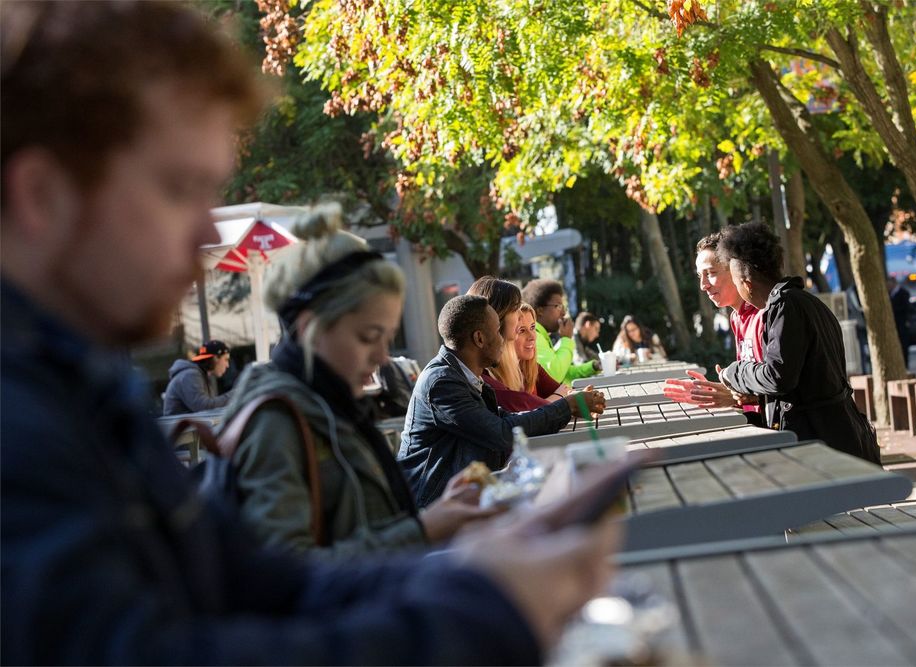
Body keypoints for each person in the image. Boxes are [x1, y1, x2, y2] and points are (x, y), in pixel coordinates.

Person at [0, 3, 617, 663]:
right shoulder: (21, 423)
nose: (207, 232)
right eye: (181, 188)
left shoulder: (79, 388)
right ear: (43, 196)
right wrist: (482, 608)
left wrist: (476, 576)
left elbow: (255, 580)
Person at [221, 206, 495, 560]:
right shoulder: (275, 421)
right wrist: (422, 530)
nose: (383, 357)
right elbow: (287, 575)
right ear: (309, 329)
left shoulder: (330, 405)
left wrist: (437, 512)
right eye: (369, 336)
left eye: (388, 339)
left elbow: (357, 527)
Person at [397, 295, 586, 507]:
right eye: (498, 331)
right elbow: (501, 433)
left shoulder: (464, 375)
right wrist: (566, 406)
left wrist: (565, 409)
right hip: (431, 510)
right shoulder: (442, 382)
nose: (505, 338)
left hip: (460, 500)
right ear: (479, 338)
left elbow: (505, 419)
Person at [715, 222, 881, 463]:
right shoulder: (807, 302)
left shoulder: (784, 307)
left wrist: (735, 373)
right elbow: (803, 380)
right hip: (834, 436)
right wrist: (755, 396)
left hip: (822, 445)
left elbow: (778, 376)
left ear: (746, 283)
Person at [662, 232, 764, 424]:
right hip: (756, 425)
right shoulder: (736, 317)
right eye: (700, 276)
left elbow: (781, 388)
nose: (703, 285)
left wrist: (732, 395)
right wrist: (721, 393)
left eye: (711, 273)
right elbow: (754, 391)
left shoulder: (764, 314)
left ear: (735, 269)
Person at [469, 277, 603, 414]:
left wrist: (571, 400)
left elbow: (562, 390)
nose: (563, 313)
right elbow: (525, 410)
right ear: (496, 317)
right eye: (515, 309)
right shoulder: (482, 377)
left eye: (533, 327)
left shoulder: (527, 363)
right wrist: (565, 402)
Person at [522, 278, 598, 383]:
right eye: (558, 306)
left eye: (564, 307)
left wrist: (593, 367)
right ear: (540, 310)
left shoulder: (543, 336)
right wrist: (566, 339)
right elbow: (555, 375)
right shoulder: (535, 337)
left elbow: (564, 371)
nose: (563, 313)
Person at [162, 339, 232, 415]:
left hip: (187, 424)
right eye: (226, 359)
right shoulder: (190, 375)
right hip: (180, 425)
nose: (227, 365)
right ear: (215, 358)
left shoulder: (200, 375)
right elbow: (203, 408)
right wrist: (236, 394)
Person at [887, 275, 911, 367]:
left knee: (904, 345)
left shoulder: (903, 293)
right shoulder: (890, 294)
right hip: (895, 324)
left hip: (902, 323)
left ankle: (905, 364)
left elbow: (906, 308)